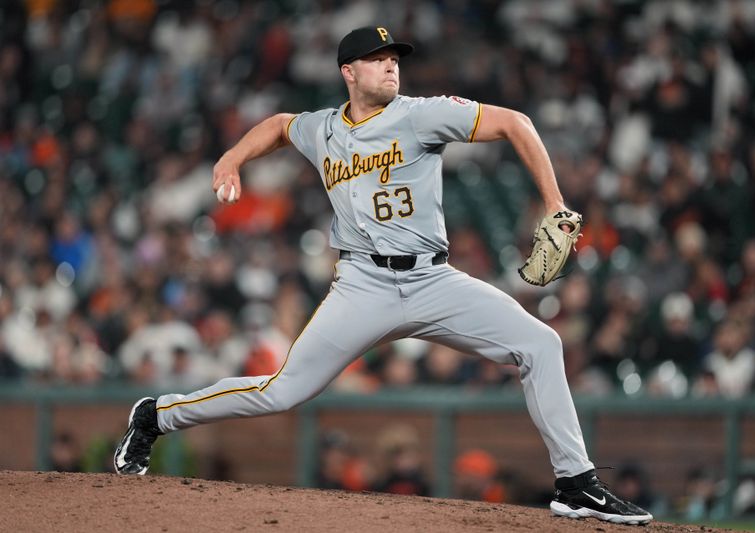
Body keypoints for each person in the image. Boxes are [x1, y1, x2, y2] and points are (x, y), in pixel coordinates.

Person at [113, 26, 652, 525]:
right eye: (377, 59)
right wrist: (232, 158)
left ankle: (576, 481)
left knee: (541, 344)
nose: (391, 67)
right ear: (349, 72)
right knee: (281, 392)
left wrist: (555, 203)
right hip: (363, 286)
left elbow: (517, 123)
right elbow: (279, 127)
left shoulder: (421, 114)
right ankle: (156, 416)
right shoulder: (323, 128)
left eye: (394, 59)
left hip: (433, 281)